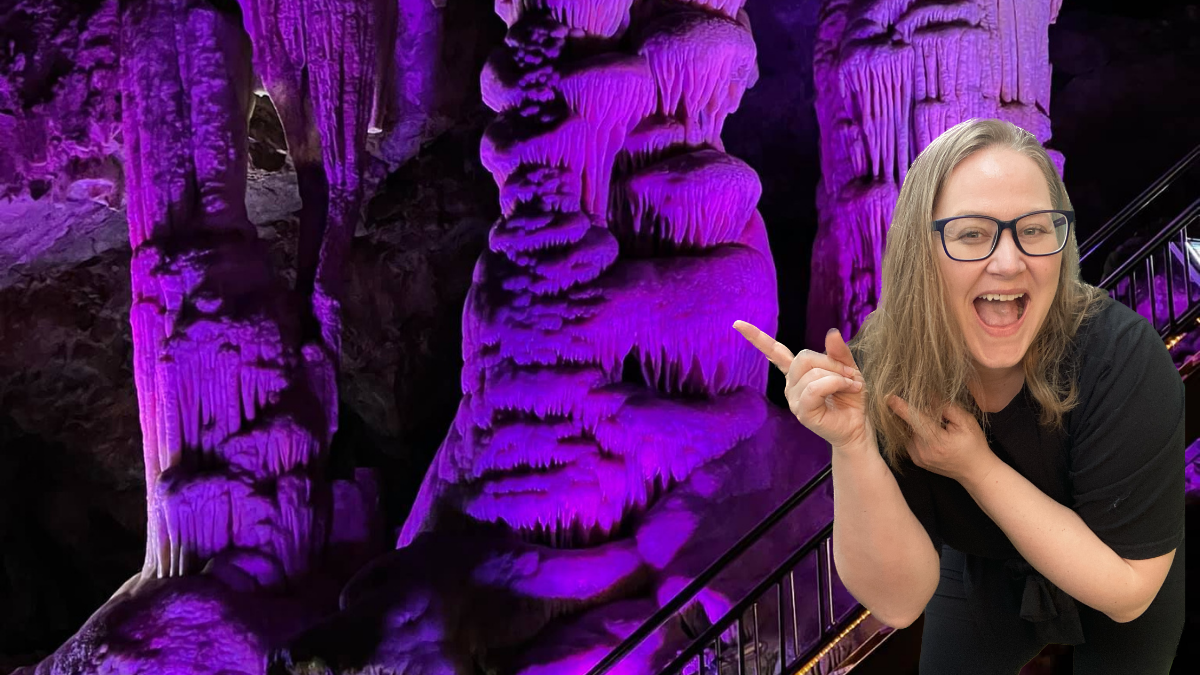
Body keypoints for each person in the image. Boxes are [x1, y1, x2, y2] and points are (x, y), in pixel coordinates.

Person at [732, 118, 1184, 674]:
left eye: (1034, 229)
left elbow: (1129, 591)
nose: (1009, 261)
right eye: (971, 234)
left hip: (1117, 561)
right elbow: (899, 603)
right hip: (985, 565)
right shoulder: (883, 368)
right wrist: (852, 445)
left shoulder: (1123, 356)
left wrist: (975, 466)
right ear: (921, 251)